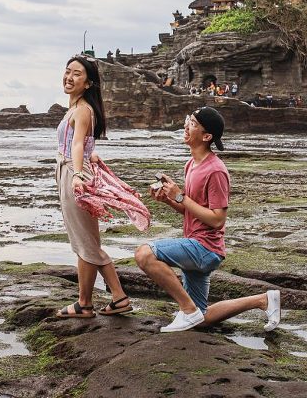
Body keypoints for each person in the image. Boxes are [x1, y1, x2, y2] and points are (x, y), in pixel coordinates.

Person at [135, 107, 280, 333]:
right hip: (195, 244)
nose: (186, 126)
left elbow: (217, 220)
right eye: (188, 121)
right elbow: (192, 211)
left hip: (205, 249)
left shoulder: (216, 171)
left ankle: (187, 309)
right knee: (201, 318)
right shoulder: (191, 165)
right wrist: (168, 200)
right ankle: (263, 300)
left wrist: (180, 196)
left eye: (192, 124)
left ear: (206, 136)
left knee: (144, 254)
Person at [55, 55, 133, 319]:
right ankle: (92, 302)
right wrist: (90, 157)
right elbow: (84, 144)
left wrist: (77, 173)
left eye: (77, 74)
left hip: (74, 174)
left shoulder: (82, 109)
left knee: (87, 242)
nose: (69, 77)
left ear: (88, 83)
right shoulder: (78, 108)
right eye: (68, 72)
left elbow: (77, 144)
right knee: (85, 241)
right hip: (71, 170)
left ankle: (96, 301)